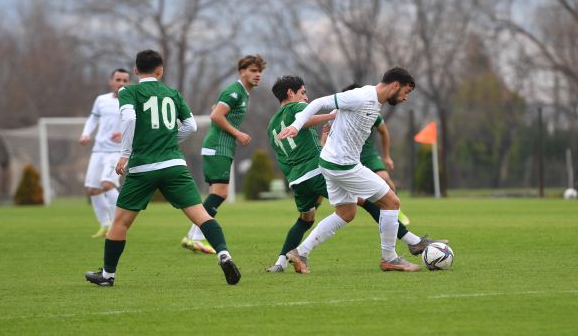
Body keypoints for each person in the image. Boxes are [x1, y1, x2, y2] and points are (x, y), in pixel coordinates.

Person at [85, 49, 241, 286]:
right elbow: (190, 127)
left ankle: (108, 275)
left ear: (136, 71)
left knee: (120, 223)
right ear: (160, 70)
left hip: (143, 167)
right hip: (174, 165)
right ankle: (223, 254)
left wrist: (125, 154)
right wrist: (167, 140)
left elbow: (128, 118)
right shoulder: (172, 93)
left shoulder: (129, 90)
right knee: (201, 215)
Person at [266, 75, 445, 273]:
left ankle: (293, 256)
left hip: (301, 176)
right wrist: (306, 123)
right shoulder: (303, 107)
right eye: (303, 92)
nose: (305, 97)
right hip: (330, 167)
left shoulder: (272, 123)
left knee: (341, 213)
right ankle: (399, 252)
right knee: (387, 202)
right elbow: (313, 107)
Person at [181, 55, 267, 254]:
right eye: (253, 71)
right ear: (242, 71)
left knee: (217, 193)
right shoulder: (235, 91)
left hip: (223, 147)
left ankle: (193, 237)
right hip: (218, 147)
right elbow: (215, 115)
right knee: (220, 193)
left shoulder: (243, 93)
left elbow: (218, 110)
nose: (258, 75)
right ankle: (195, 237)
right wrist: (238, 133)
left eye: (260, 71)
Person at [326, 83, 411, 225]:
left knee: (384, 177)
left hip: (368, 154)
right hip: (347, 156)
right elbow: (325, 139)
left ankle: (396, 210)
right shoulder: (336, 114)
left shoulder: (369, 109)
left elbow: (383, 132)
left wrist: (387, 156)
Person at [79, 68, 131, 238]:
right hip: (99, 150)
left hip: (118, 151)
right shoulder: (101, 100)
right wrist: (86, 134)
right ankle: (105, 224)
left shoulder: (131, 100)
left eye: (125, 80)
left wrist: (123, 134)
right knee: (93, 190)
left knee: (107, 184)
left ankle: (119, 223)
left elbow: (137, 124)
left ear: (129, 83)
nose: (121, 83)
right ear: (111, 81)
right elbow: (93, 118)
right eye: (118, 80)